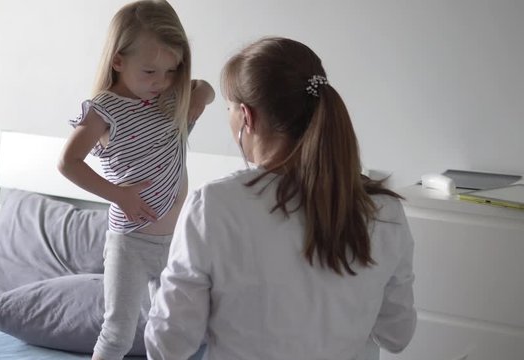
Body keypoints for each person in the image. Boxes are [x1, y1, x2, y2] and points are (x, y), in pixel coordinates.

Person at [144, 37, 416, 360]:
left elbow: (168, 346)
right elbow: (397, 334)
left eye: (229, 109)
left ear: (247, 116)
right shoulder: (383, 209)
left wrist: (155, 289)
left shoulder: (215, 206)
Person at [57, 1, 215, 359]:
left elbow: (205, 87)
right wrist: (118, 195)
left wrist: (199, 96)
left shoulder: (170, 101)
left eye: (171, 70)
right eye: (149, 71)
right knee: (118, 333)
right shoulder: (104, 110)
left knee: (177, 334)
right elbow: (68, 162)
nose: (160, 81)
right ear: (118, 61)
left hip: (176, 243)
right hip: (130, 243)